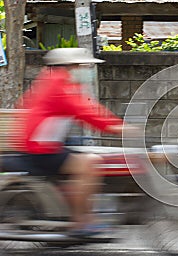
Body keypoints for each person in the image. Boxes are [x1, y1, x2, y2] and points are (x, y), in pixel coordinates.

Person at [10, 48, 126, 236]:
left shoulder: (52, 82)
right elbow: (86, 112)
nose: (85, 69)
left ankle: (75, 204)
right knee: (91, 163)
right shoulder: (59, 86)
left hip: (45, 144)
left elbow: (84, 110)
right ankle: (81, 221)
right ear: (70, 67)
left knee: (84, 152)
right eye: (82, 65)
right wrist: (118, 127)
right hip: (40, 150)